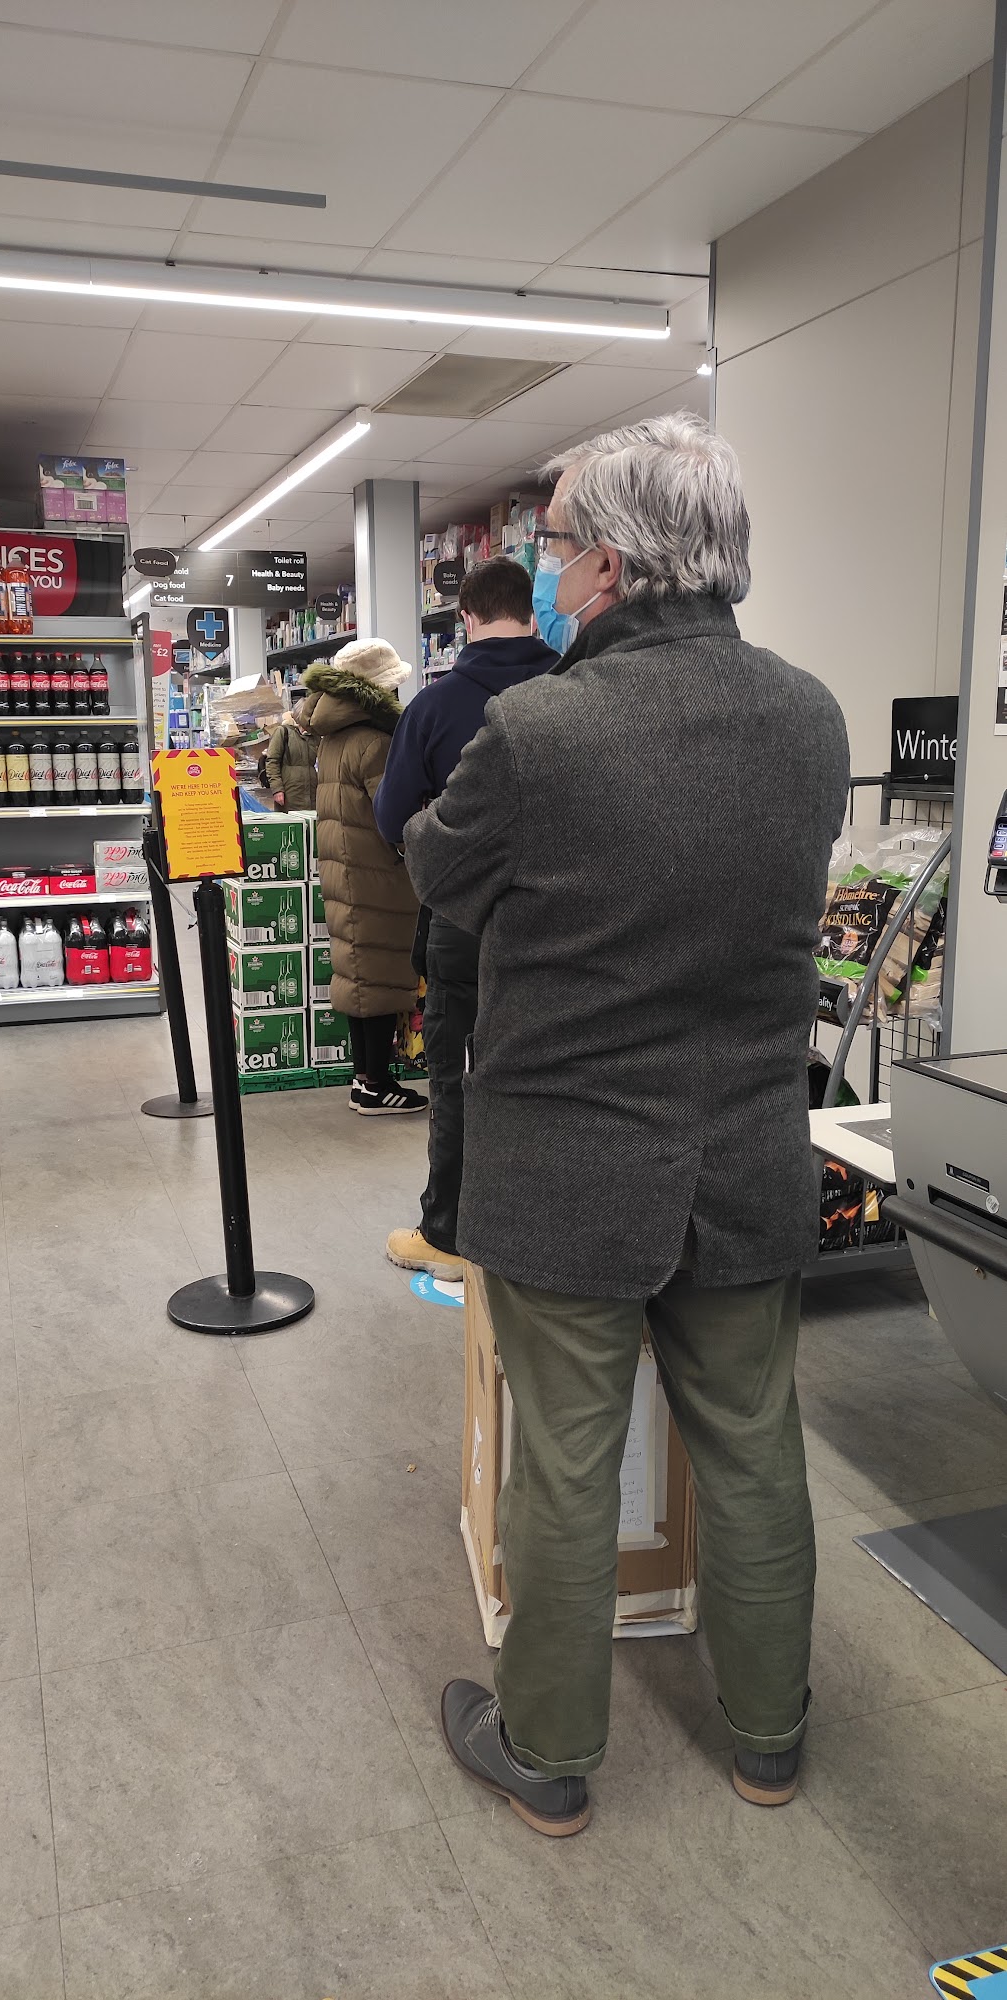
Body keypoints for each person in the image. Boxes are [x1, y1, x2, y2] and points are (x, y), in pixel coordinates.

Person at [402, 413, 850, 1836]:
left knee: (566, 1466)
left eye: (549, 547)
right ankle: (770, 1737)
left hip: (568, 1173)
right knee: (754, 1447)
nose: (540, 570)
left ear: (603, 564)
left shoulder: (533, 734)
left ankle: (547, 1753)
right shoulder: (810, 716)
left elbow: (436, 871)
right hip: (748, 1153)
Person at [374, 557, 557, 1278]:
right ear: (534, 614)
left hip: (463, 919)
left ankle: (448, 1235)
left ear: (467, 621)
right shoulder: (572, 686)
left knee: (453, 1077)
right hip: (565, 925)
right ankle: (543, 1230)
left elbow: (392, 817)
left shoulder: (435, 704)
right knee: (553, 1076)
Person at [299, 639, 426, 1115]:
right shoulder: (375, 742)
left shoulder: (334, 738)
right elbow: (393, 816)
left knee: (358, 975)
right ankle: (376, 1083)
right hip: (376, 873)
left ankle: (363, 1078)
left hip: (346, 870)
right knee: (377, 979)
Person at [265, 703, 318, 810]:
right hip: (289, 792)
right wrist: (277, 789)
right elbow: (272, 761)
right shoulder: (283, 732)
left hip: (311, 793)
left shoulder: (315, 736)